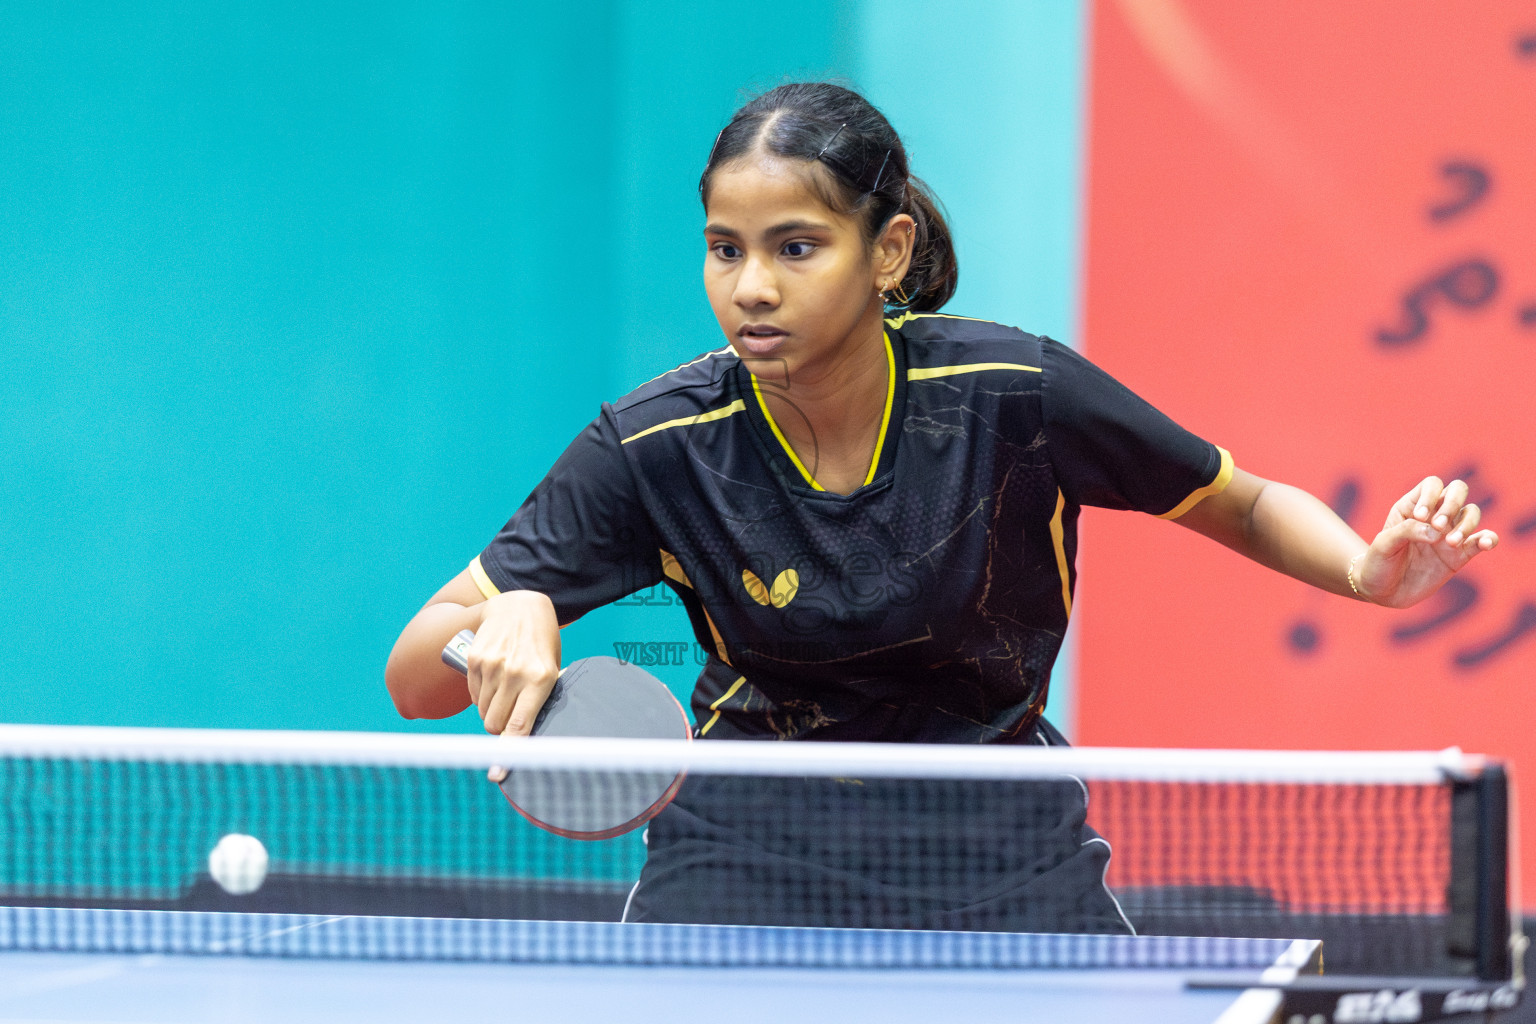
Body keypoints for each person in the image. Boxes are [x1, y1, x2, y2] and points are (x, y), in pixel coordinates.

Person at [385, 82, 1498, 933]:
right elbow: (416, 672)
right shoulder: (659, 444)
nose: (752, 287)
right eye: (725, 251)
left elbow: (1238, 502)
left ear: (890, 252)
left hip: (997, 850)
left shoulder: (1015, 398)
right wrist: (507, 614)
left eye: (795, 247)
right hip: (746, 861)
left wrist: (1365, 572)